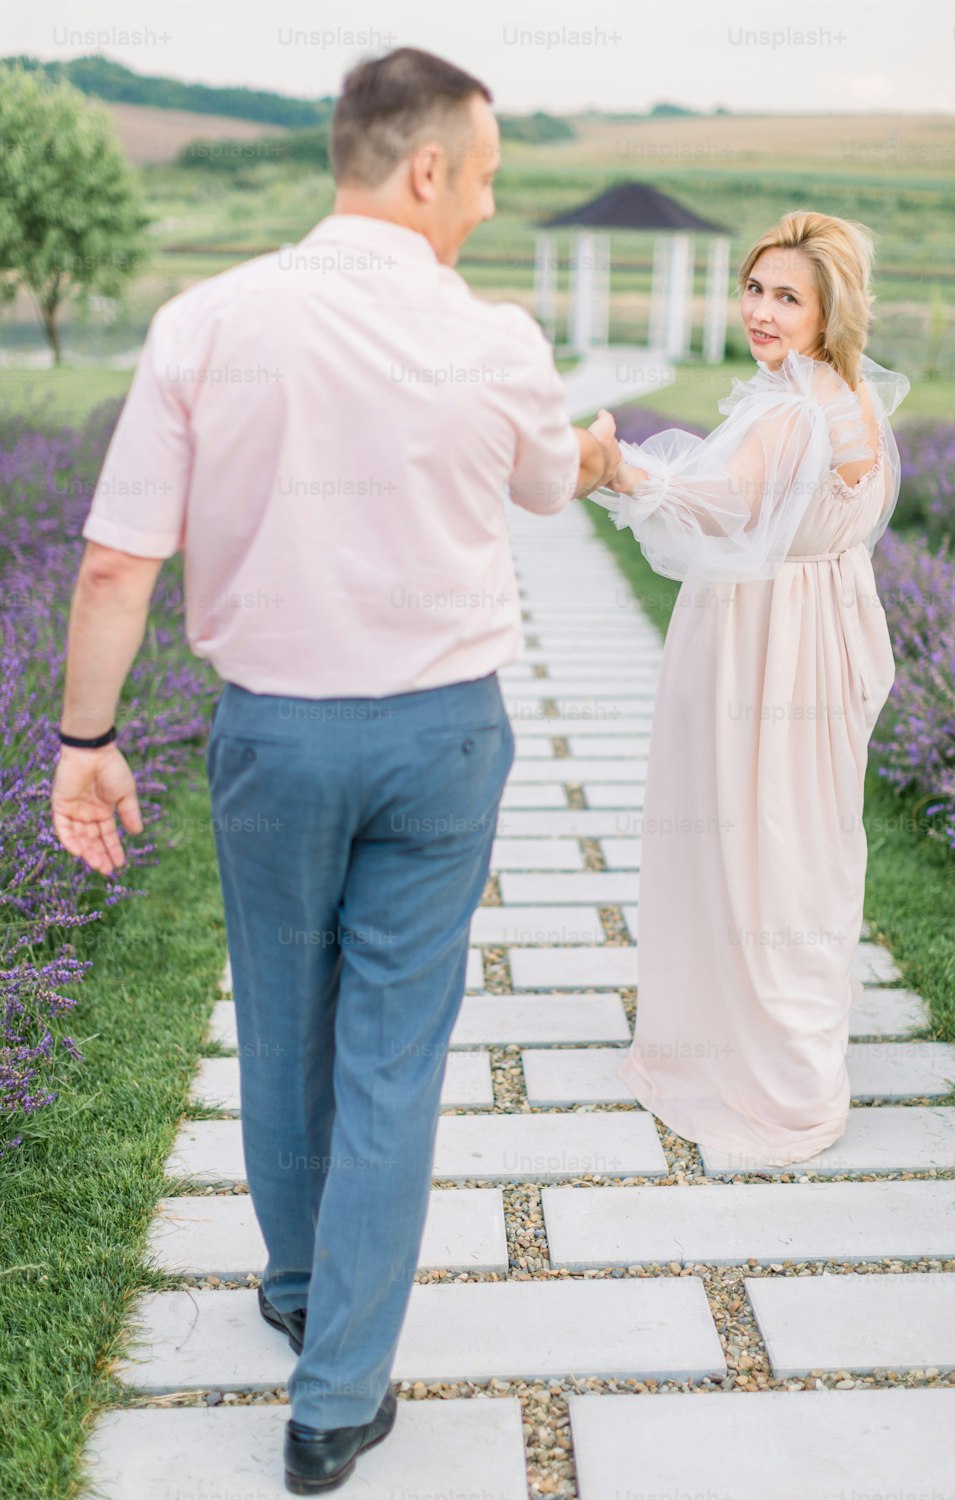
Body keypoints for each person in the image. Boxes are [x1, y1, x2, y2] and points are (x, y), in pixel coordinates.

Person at [50, 47, 620, 1495]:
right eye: (484, 177)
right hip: (442, 741)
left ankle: (302, 1286)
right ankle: (334, 1397)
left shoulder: (206, 320)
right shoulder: (496, 336)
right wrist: (602, 448)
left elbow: (120, 558)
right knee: (392, 1055)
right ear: (426, 167)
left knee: (283, 1014)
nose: (488, 208)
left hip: (276, 737)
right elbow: (553, 482)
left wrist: (86, 743)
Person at [590, 210, 909, 1172]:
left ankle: (780, 1086)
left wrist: (615, 468)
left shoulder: (790, 410)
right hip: (828, 630)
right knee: (802, 841)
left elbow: (722, 504)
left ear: (829, 309)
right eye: (754, 289)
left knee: (753, 841)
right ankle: (784, 1052)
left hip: (763, 641)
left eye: (787, 297)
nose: (762, 312)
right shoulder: (854, 398)